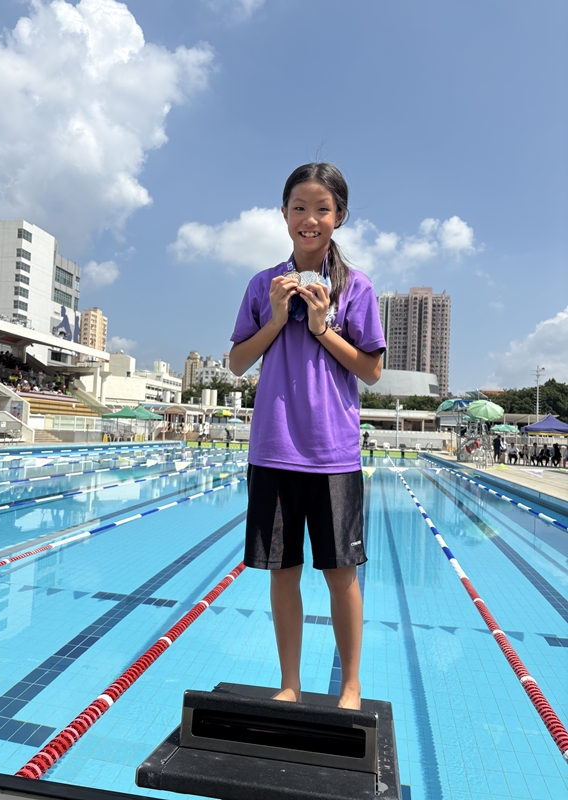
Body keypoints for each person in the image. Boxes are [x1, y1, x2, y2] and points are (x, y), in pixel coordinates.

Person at [229, 162, 386, 710]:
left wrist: (321, 327)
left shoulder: (356, 287)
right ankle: (290, 683)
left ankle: (351, 686)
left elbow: (371, 371)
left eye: (322, 209)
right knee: (284, 572)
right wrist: (275, 319)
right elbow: (236, 363)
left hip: (332, 452)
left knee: (341, 575)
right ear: (284, 214)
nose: (310, 218)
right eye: (299, 207)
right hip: (274, 448)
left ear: (339, 216)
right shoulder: (263, 285)